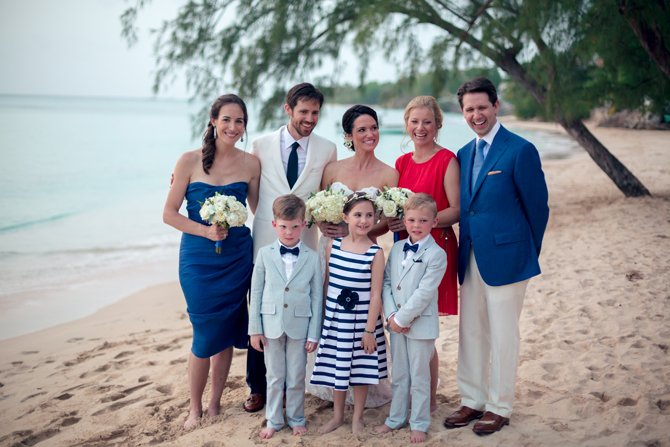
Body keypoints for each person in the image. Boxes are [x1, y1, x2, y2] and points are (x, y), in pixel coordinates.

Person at [443, 78, 549, 435]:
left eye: (482, 107)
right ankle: (472, 400)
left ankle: (500, 406)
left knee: (504, 335)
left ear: (496, 106)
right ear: (463, 113)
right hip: (470, 253)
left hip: (509, 257)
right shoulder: (464, 153)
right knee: (470, 331)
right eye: (469, 109)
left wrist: (526, 254)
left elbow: (538, 208)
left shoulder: (520, 149)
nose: (476, 115)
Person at [163, 94, 261, 430]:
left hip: (236, 257)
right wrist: (206, 232)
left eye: (240, 121)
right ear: (213, 121)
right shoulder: (188, 161)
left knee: (227, 327)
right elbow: (168, 214)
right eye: (227, 120)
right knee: (205, 331)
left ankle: (216, 403)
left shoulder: (251, 164)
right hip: (198, 259)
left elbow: (261, 211)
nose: (234, 127)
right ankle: (194, 408)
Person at [244, 83, 338, 413]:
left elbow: (326, 195)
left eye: (315, 112)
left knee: (298, 307)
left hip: (306, 239)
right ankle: (257, 386)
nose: (310, 118)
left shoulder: (326, 148)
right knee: (262, 304)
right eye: (304, 112)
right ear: (288, 109)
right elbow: (253, 190)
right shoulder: (260, 144)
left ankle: (289, 387)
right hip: (267, 237)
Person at [305, 104, 397, 407]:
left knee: (361, 314)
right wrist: (323, 224)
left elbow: (387, 220)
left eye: (373, 128)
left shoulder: (389, 173)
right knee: (328, 313)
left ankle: (365, 384)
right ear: (349, 135)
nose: (370, 134)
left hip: (365, 254)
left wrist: (364, 232)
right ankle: (329, 382)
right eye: (362, 130)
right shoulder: (333, 169)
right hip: (331, 251)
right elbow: (316, 206)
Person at [387, 96, 460, 412]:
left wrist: (421, 223)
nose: (420, 128)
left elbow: (456, 209)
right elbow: (395, 206)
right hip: (404, 248)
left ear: (438, 125)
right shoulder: (401, 164)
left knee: (424, 327)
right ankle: (410, 397)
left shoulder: (447, 160)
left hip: (435, 249)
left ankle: (428, 400)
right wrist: (394, 220)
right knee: (407, 324)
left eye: (427, 121)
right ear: (406, 125)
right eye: (414, 122)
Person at [310, 194, 387, 435]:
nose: (364, 220)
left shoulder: (375, 253)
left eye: (369, 215)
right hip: (336, 321)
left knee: (360, 369)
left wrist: (369, 331)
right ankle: (337, 416)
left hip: (363, 322)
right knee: (338, 366)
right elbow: (327, 284)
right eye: (358, 215)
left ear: (376, 219)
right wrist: (323, 318)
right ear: (345, 217)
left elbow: (376, 295)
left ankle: (358, 418)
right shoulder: (333, 246)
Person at [248, 194, 323, 439]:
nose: (288, 232)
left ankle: (297, 418)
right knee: (274, 375)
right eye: (283, 226)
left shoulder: (312, 258)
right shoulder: (264, 254)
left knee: (297, 376)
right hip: (270, 324)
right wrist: (254, 329)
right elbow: (256, 292)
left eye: (294, 226)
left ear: (303, 225)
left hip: (300, 325)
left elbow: (316, 297)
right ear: (274, 225)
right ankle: (273, 420)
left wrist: (314, 333)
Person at [375, 193, 447, 444]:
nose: (416, 225)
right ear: (404, 220)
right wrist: (393, 315)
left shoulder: (436, 254)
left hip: (420, 325)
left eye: (423, 221)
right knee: (400, 375)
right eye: (412, 220)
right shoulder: (395, 247)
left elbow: (424, 293)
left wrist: (403, 319)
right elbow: (386, 282)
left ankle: (419, 423)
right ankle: (395, 419)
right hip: (396, 323)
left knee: (419, 377)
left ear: (434, 222)